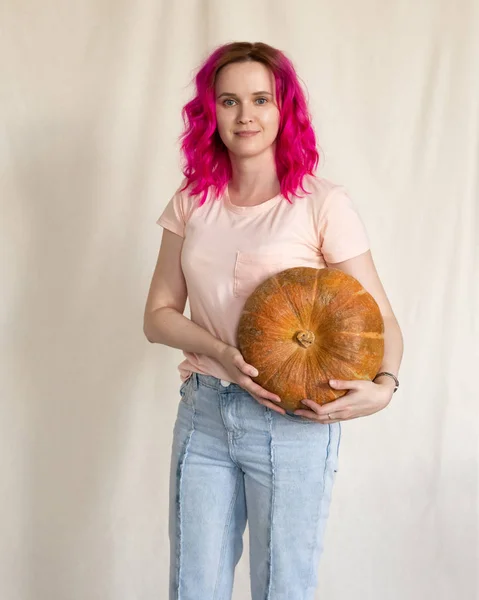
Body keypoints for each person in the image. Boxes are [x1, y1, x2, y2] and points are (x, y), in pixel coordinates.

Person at [143, 41, 403, 600]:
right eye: (230, 101)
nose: (246, 116)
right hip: (205, 412)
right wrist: (222, 357)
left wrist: (385, 386)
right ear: (210, 112)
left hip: (295, 423)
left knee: (282, 588)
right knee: (193, 588)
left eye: (261, 99)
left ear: (284, 109)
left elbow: (379, 316)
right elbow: (158, 316)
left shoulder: (321, 203)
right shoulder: (191, 201)